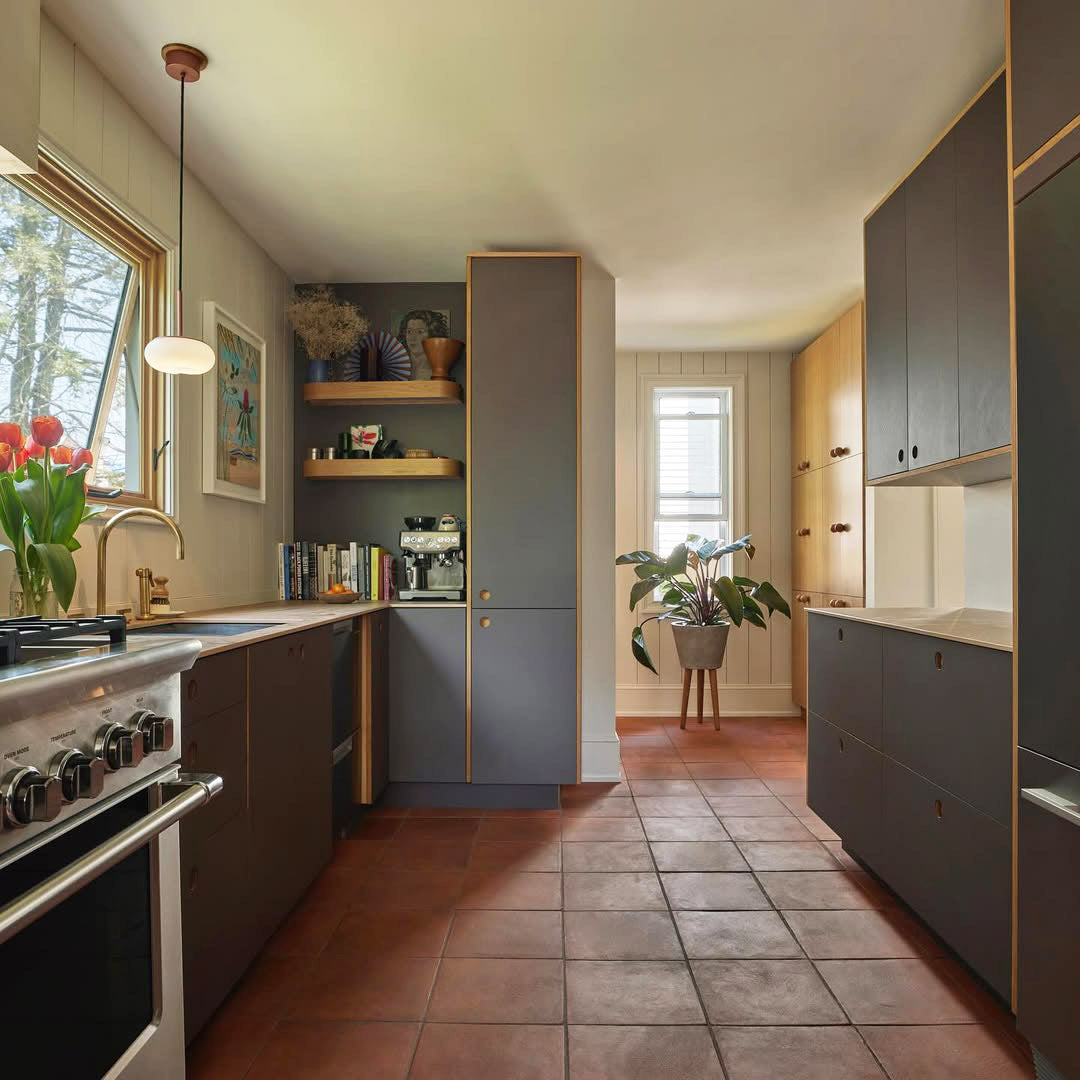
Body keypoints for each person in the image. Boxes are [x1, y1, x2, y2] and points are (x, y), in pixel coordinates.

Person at [396, 309, 449, 380]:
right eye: (409, 331)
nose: (412, 337)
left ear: (432, 334)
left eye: (420, 332)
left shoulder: (437, 370)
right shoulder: (398, 368)